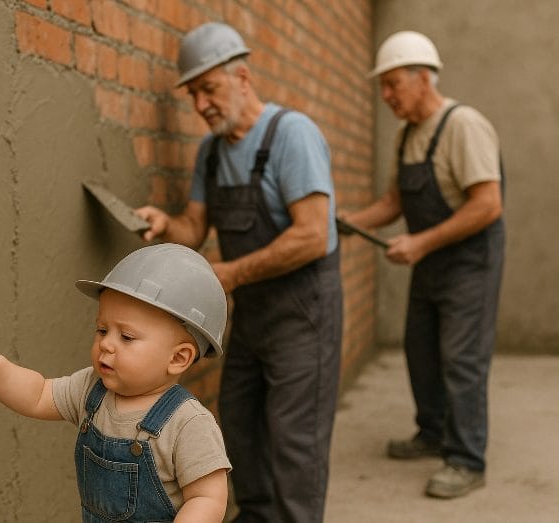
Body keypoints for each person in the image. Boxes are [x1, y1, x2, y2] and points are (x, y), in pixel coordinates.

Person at [135, 22, 343, 523]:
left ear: (243, 77)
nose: (201, 103)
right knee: (239, 421)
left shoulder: (292, 134)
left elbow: (313, 234)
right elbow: (195, 227)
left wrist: (231, 273)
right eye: (193, 93)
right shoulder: (211, 152)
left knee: (295, 439)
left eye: (209, 88)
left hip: (304, 311)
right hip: (251, 314)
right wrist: (167, 224)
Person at [0, 243, 232, 522]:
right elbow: (37, 395)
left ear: (179, 358)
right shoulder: (91, 390)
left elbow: (207, 498)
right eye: (102, 329)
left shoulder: (188, 423)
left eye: (127, 337)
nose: (106, 344)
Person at [341, 31, 505, 499]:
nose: (387, 96)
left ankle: (467, 458)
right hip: (431, 257)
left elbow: (487, 204)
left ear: (422, 77)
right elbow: (395, 200)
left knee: (462, 359)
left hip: (470, 261)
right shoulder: (409, 134)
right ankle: (433, 433)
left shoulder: (463, 125)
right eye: (384, 88)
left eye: (392, 85)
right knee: (420, 348)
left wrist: (421, 242)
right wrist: (352, 222)